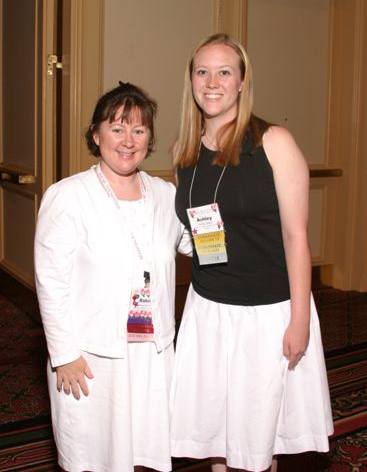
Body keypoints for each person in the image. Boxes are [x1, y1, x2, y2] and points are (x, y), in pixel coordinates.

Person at [170, 33, 333, 472]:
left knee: (258, 444)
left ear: (242, 82)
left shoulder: (273, 141)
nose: (212, 81)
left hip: (267, 313)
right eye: (202, 71)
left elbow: (297, 237)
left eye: (225, 72)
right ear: (191, 80)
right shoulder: (184, 151)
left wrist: (300, 320)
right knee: (220, 440)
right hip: (207, 312)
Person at [34, 81, 191, 472]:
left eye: (139, 130)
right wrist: (64, 355)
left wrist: (216, 187)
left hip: (152, 355)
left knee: (144, 454)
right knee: (95, 457)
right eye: (117, 128)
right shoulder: (69, 196)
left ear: (150, 138)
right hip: (92, 359)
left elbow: (201, 244)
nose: (128, 140)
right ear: (95, 134)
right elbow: (51, 281)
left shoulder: (165, 195)